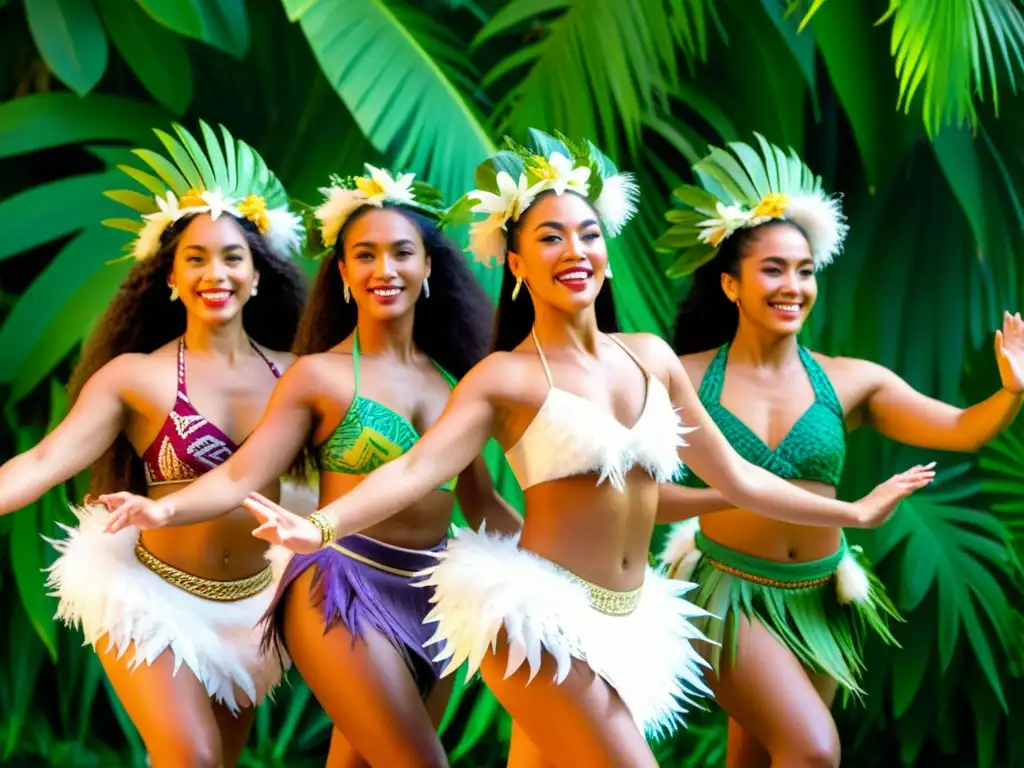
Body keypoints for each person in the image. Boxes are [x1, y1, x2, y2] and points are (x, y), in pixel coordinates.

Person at [113, 130, 931, 768]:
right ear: (515, 263)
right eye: (550, 238)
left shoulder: (647, 355)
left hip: (629, 617)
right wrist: (318, 531)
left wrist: (851, 509)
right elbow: (413, 469)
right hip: (536, 618)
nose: (574, 251)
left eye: (587, 234)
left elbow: (733, 474)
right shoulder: (501, 378)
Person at [98, 163, 521, 767]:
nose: (384, 269)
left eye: (401, 252)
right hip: (341, 585)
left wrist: (562, 574)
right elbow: (243, 473)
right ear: (343, 272)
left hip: (433, 599)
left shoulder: (460, 381)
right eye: (364, 255)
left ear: (429, 265)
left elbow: (481, 503)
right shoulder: (317, 375)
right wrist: (163, 505)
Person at [655, 134, 1023, 768]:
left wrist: (1012, 391)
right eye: (773, 269)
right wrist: (735, 494)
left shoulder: (850, 381)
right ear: (731, 285)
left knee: (757, 755)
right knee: (813, 750)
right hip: (729, 593)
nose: (793, 285)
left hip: (822, 597)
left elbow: (964, 426)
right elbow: (639, 497)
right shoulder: (678, 376)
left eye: (805, 270)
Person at [0, 121, 308, 768]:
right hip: (150, 595)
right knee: (189, 757)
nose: (214, 272)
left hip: (256, 605)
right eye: (195, 257)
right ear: (170, 276)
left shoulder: (299, 375)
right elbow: (44, 460)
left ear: (258, 274)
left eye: (232, 257)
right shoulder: (135, 378)